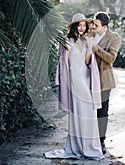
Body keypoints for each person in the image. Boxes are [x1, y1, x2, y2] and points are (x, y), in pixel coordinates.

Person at [44, 13, 104, 160]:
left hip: (85, 77)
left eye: (84, 25)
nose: (82, 28)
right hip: (74, 79)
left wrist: (90, 48)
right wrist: (69, 48)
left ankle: (89, 146)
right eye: (79, 25)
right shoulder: (66, 41)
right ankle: (76, 147)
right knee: (78, 112)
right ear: (74, 26)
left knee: (88, 112)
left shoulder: (87, 41)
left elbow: (88, 62)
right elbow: (65, 62)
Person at [91, 12, 121, 154]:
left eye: (95, 24)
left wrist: (96, 48)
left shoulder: (114, 37)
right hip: (88, 78)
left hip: (104, 79)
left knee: (102, 111)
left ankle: (101, 140)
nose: (92, 26)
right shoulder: (90, 34)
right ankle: (90, 139)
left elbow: (110, 58)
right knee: (89, 109)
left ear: (104, 26)